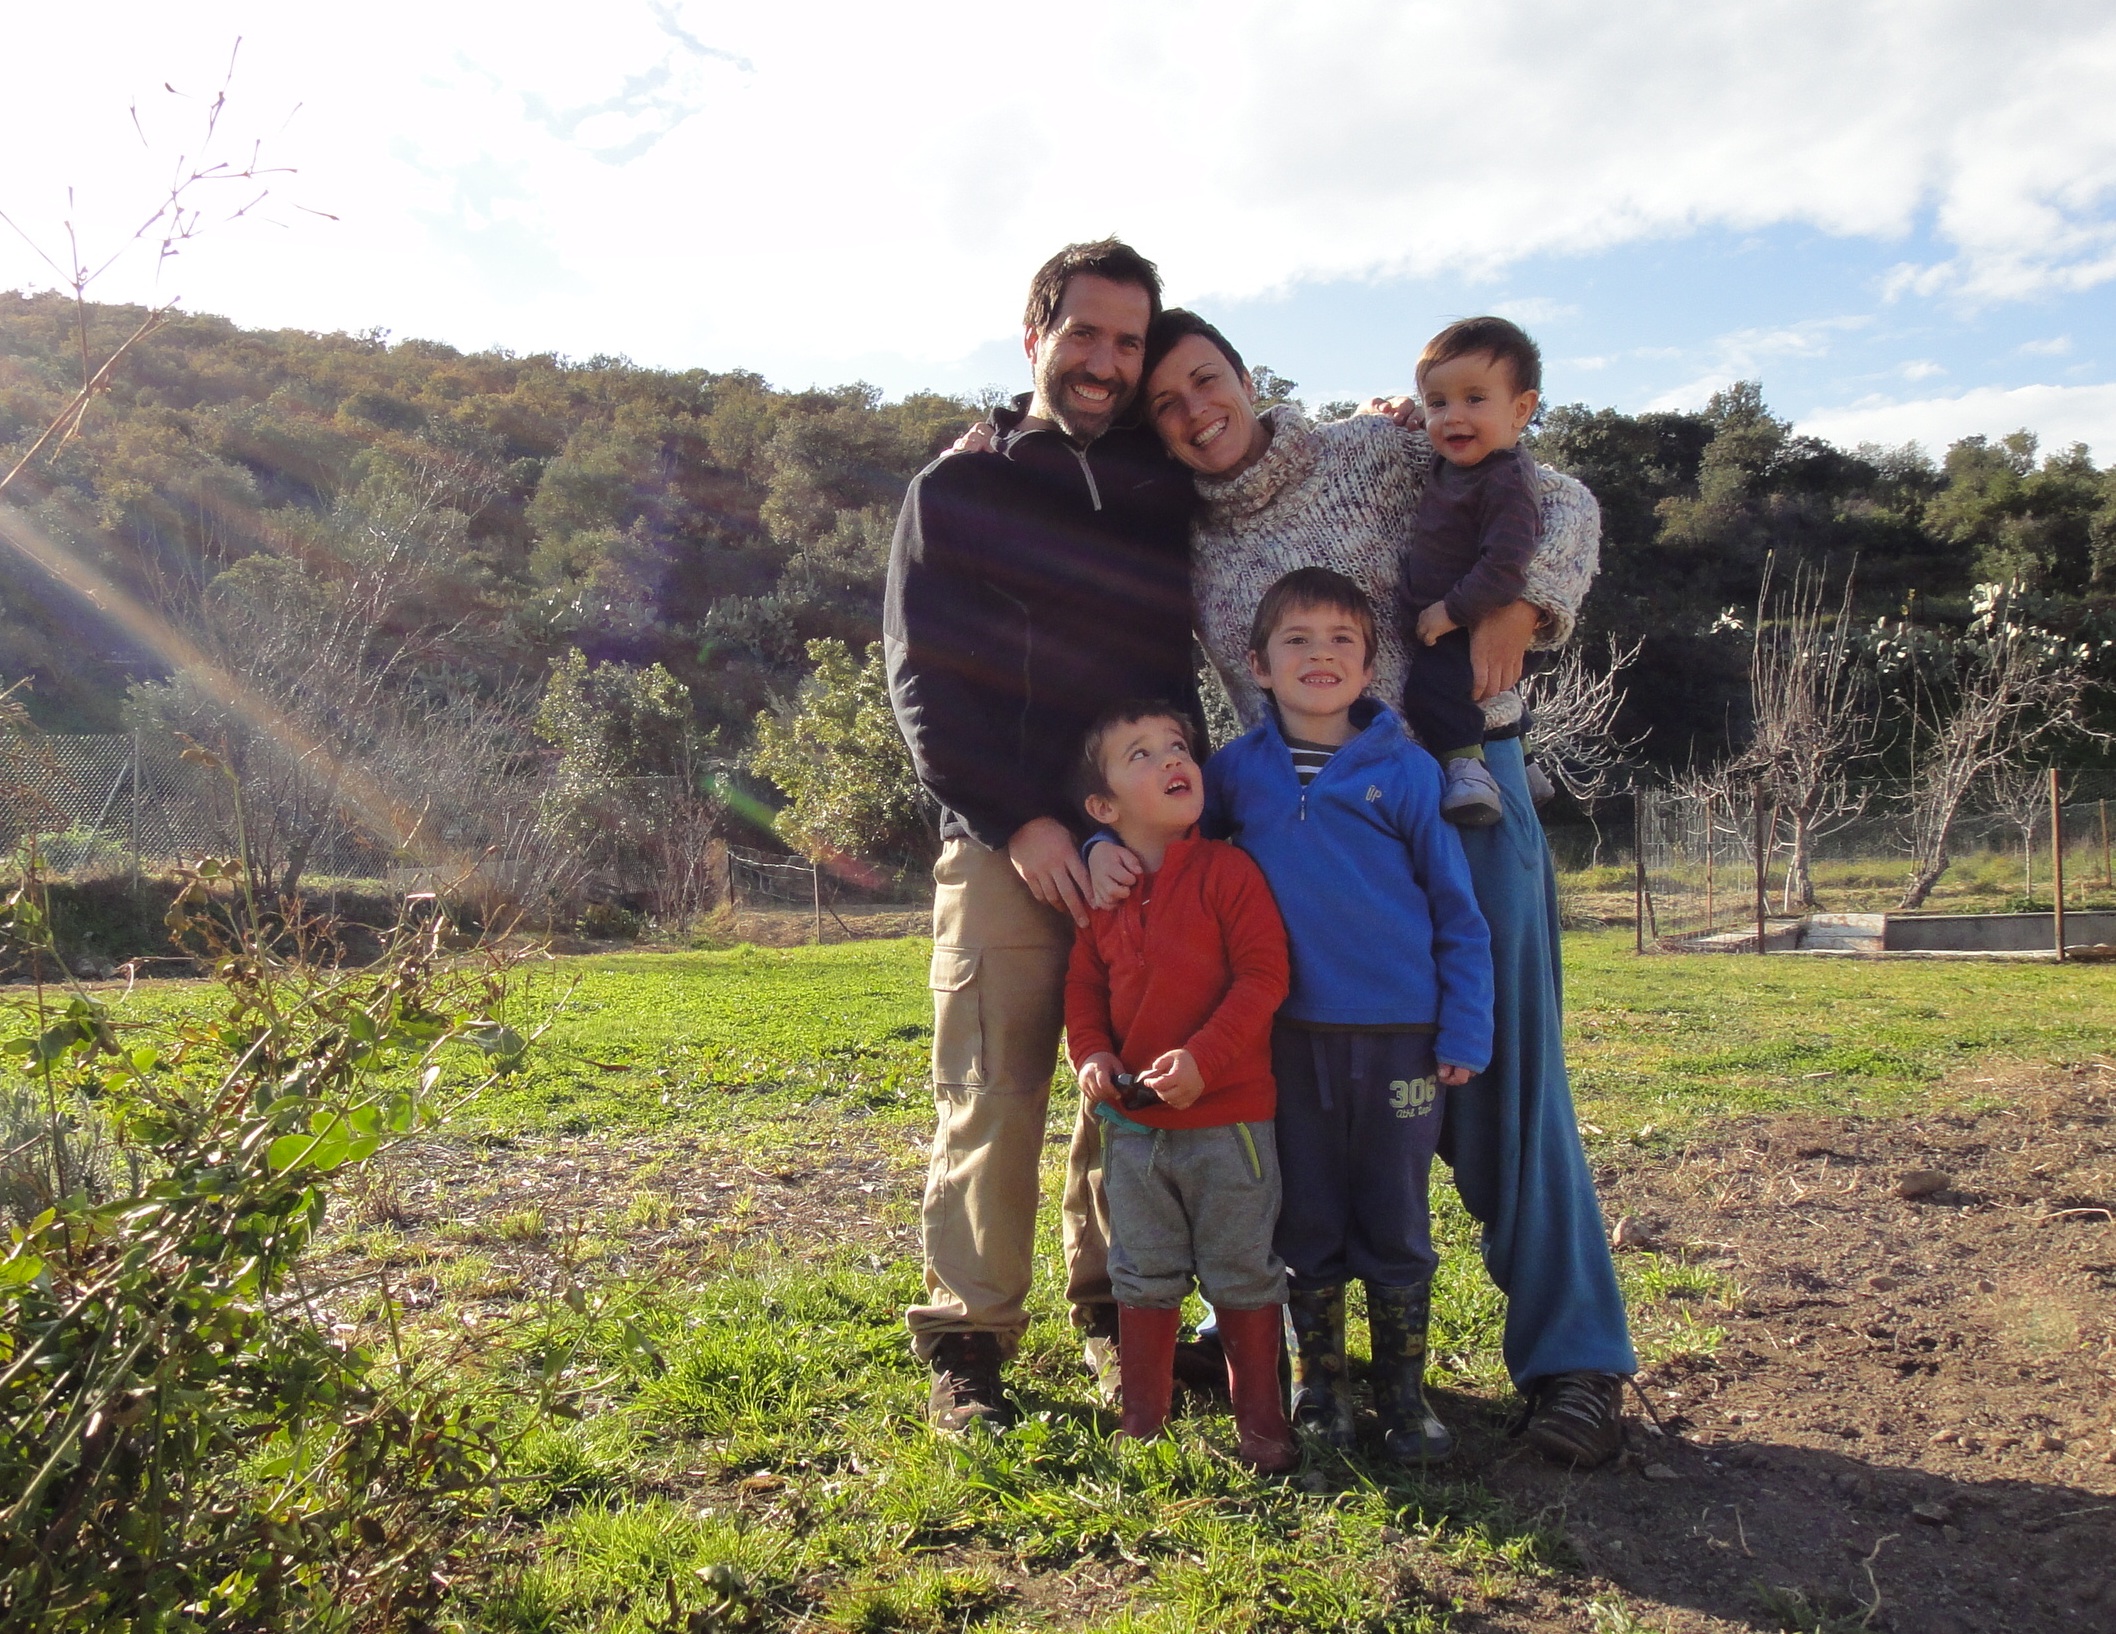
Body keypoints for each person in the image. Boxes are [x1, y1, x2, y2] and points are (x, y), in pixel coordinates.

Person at [1111, 307, 1639, 1468]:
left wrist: (1521, 604)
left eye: (1206, 380)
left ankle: (1574, 1359)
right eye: (1166, 404)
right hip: (1299, 835)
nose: (1197, 411)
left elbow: (1563, 502)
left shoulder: (1377, 449)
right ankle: (1264, 1334)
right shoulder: (1186, 543)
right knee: (1294, 1079)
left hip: (1456, 793)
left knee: (1498, 1075)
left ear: (1244, 376)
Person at [883, 240, 1200, 1431]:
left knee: (1124, 1088)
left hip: (1141, 844)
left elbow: (1260, 462)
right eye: (1085, 335)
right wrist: (1021, 820)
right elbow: (923, 683)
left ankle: (1119, 1315)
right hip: (1008, 839)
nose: (1105, 362)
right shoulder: (956, 491)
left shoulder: (1163, 486)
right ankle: (967, 1345)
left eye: (1128, 341)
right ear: (1035, 337)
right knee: (994, 1087)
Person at [1203, 568, 1492, 1461]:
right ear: (1257, 663)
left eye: (1341, 642)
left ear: (1370, 668)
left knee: (1397, 1217)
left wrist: (1464, 1027)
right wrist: (1104, 842)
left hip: (1401, 1036)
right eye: (1297, 640)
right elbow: (1179, 852)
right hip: (1285, 1039)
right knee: (1308, 1217)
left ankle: (1407, 1398)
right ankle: (1319, 1388)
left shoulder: (1402, 770)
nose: (1319, 656)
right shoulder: (1234, 775)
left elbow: (1455, 907)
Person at [1063, 701, 1295, 1470]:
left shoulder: (1230, 873)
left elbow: (1264, 977)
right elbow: (1084, 997)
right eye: (1141, 755)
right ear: (1103, 809)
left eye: (1177, 747)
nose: (1172, 761)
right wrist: (1091, 1059)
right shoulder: (1103, 900)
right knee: (1142, 1270)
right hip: (1134, 1133)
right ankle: (1144, 1422)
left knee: (1241, 1269)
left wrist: (1205, 1060)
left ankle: (1262, 1426)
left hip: (1230, 1126)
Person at [1400, 317, 1545, 829]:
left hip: (1462, 619)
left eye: (1474, 399)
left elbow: (1506, 569)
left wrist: (1450, 612)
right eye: (1437, 403)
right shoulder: (1459, 462)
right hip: (1451, 612)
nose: (1452, 417)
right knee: (1491, 690)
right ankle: (1527, 763)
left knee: (1429, 692)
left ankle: (1468, 772)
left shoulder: (1506, 479)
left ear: (1521, 409)